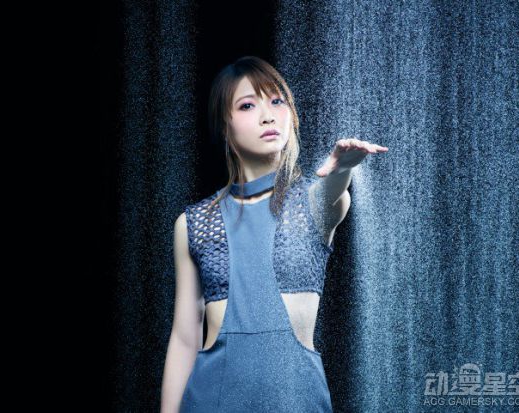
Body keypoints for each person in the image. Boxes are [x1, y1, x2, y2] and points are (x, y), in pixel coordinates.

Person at [161, 56, 388, 412]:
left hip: (295, 400)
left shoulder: (311, 203)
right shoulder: (194, 222)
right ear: (224, 126)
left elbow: (332, 194)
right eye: (247, 105)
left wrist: (342, 168)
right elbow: (184, 337)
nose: (268, 115)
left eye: (277, 101)